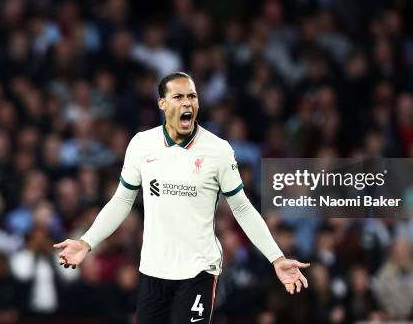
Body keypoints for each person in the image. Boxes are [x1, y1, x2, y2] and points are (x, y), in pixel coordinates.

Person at [54, 72, 309, 323]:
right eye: (178, 96)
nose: (187, 102)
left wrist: (277, 257)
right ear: (162, 104)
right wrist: (87, 242)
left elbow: (242, 208)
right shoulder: (142, 144)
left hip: (198, 270)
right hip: (153, 270)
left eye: (192, 96)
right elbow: (122, 200)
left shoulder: (218, 150)